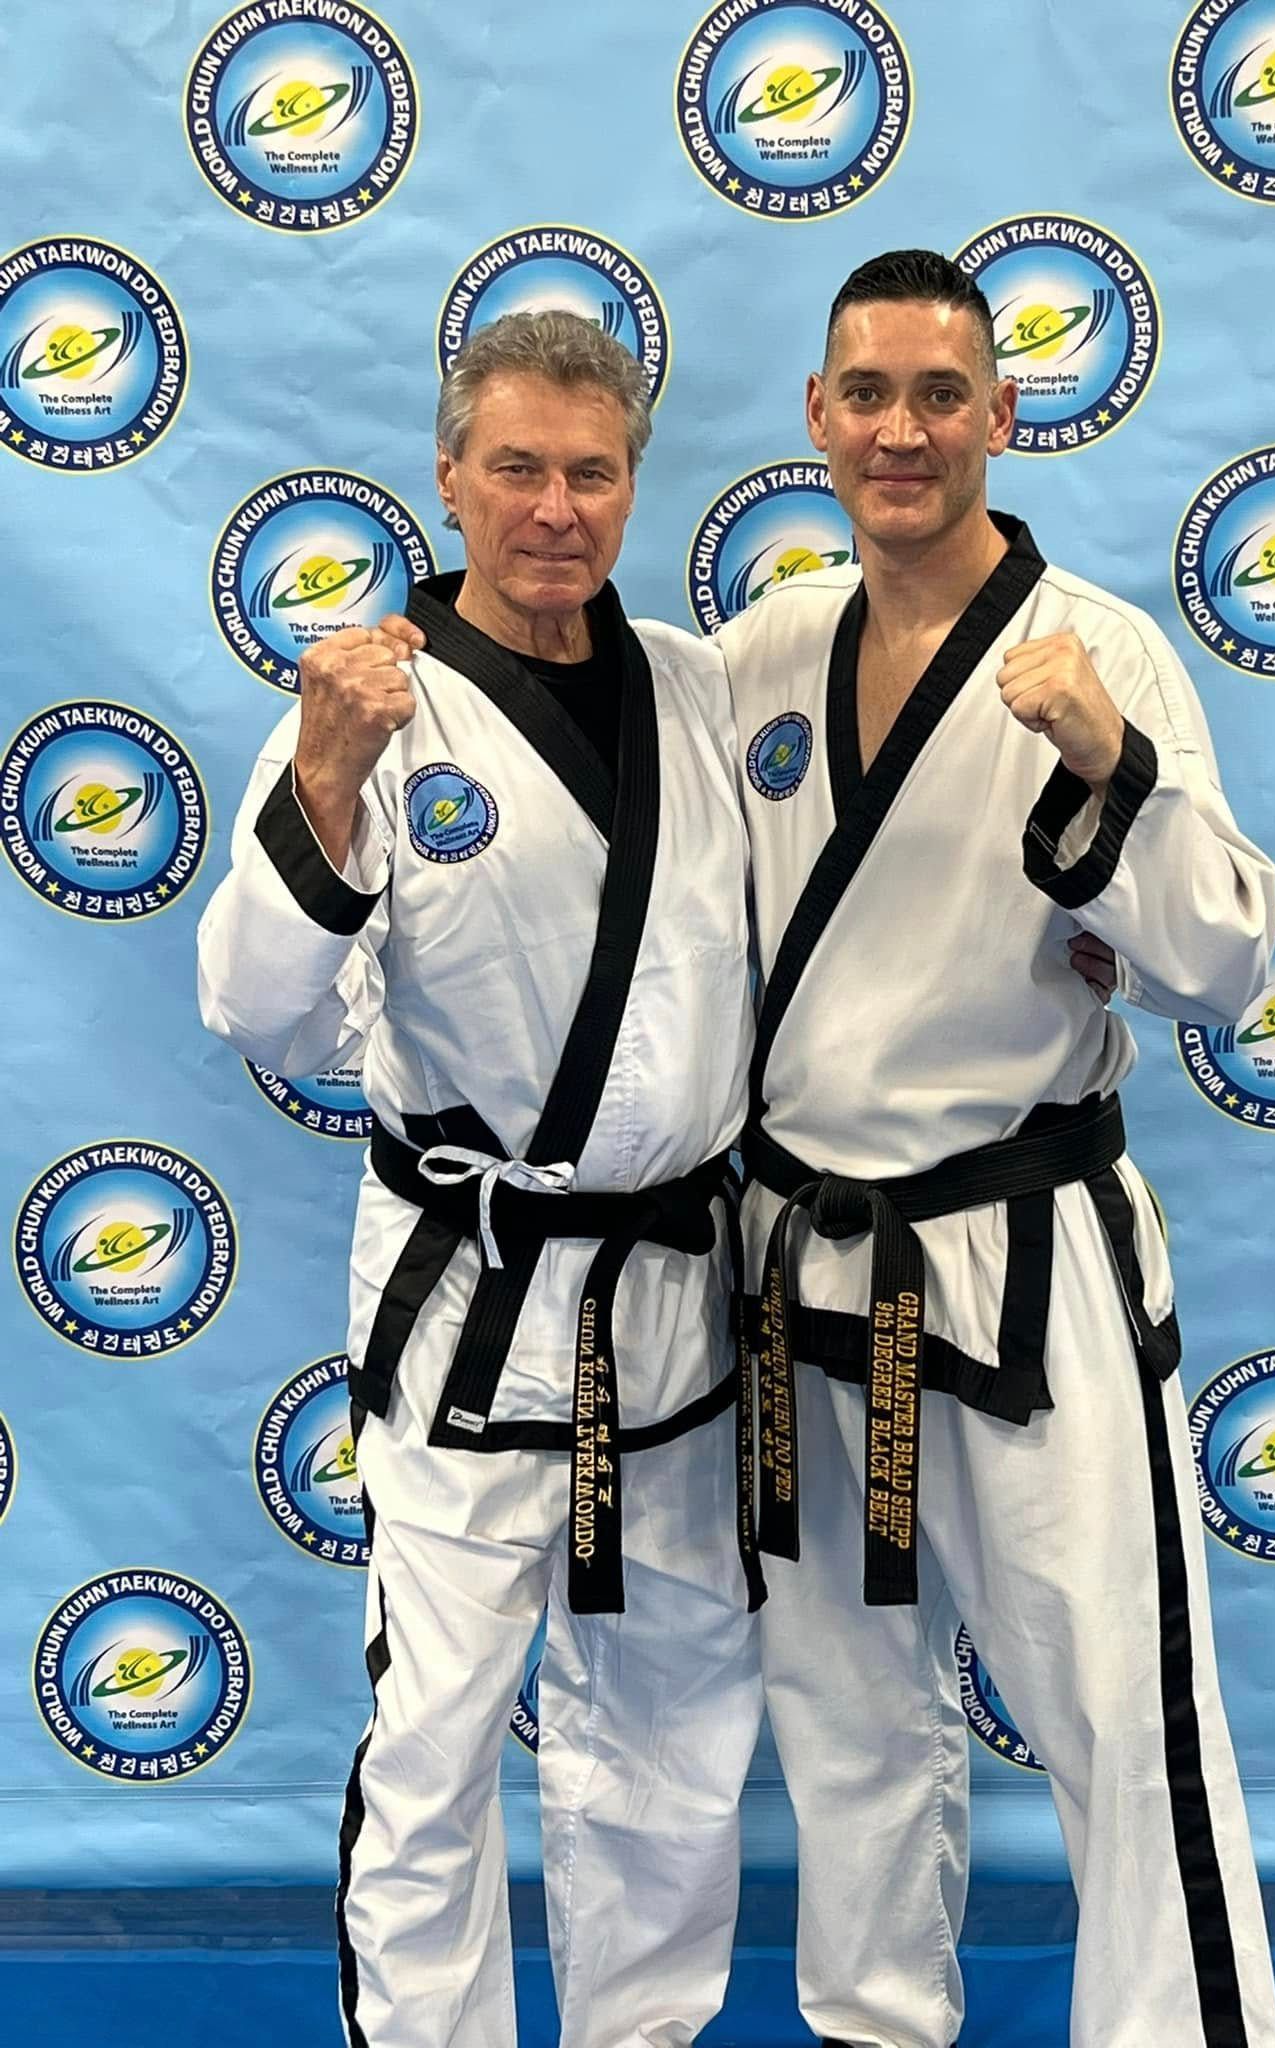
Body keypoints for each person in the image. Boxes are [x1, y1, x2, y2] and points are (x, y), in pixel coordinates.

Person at [715, 250, 1275, 2048]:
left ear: (1002, 417)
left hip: (1026, 1254)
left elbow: (1222, 966)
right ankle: (878, 2028)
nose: (902, 432)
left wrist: (1111, 768)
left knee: (1125, 1711)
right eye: (867, 395)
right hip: (808, 1272)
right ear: (818, 417)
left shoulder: (1100, 649)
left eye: (940, 397)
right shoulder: (761, 651)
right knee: (850, 1713)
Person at [197, 310, 764, 2048]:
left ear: (630, 486)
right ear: (448, 476)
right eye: (514, 467)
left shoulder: (698, 684)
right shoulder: (370, 704)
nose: (553, 508)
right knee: (437, 1737)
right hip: (474, 1311)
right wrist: (323, 781)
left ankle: (639, 2034)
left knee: (672, 1727)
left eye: (590, 473)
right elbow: (259, 1011)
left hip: (674, 1304)